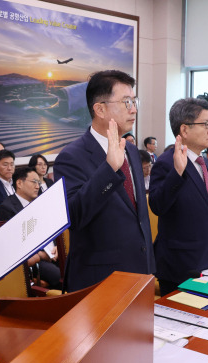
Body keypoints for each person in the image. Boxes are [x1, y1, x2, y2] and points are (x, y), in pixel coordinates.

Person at [53, 70, 155, 292]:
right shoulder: (71, 156)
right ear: (99, 108)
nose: (134, 109)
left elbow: (138, 217)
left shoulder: (130, 150)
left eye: (134, 101)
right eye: (126, 102)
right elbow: (74, 216)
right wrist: (109, 169)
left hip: (139, 272)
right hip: (99, 279)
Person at [149, 98, 208, 296]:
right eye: (206, 124)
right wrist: (177, 173)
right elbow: (157, 205)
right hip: (181, 267)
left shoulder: (203, 162)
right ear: (184, 130)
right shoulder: (168, 162)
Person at [0, 167, 61, 289]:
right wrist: (41, 255)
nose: (38, 186)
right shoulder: (7, 208)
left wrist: (58, 246)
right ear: (19, 183)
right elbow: (11, 245)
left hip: (54, 252)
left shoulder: (40, 203)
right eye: (34, 182)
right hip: (33, 260)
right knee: (60, 276)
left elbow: (52, 228)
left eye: (39, 183)